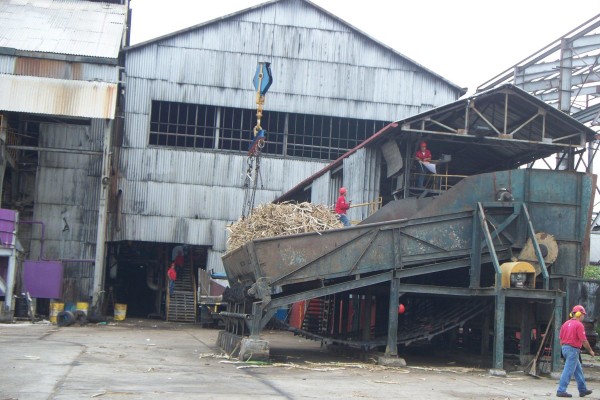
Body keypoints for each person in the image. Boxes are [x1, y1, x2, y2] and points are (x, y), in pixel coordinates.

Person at [556, 305, 595, 398]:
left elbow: (560, 339)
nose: (583, 316)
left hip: (565, 348)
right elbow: (584, 340)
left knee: (578, 370)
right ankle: (561, 390)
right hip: (573, 350)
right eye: (583, 314)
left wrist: (565, 348)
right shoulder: (579, 325)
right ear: (579, 314)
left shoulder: (565, 324)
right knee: (568, 370)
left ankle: (582, 390)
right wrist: (590, 351)